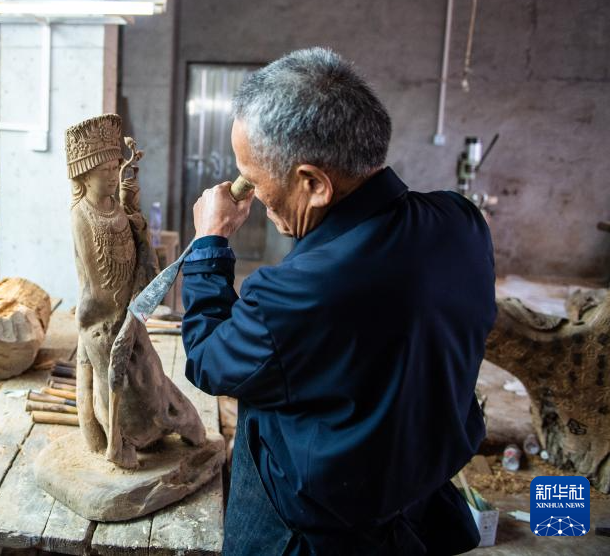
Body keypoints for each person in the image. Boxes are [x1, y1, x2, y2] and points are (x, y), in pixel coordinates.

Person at [183, 48, 495, 555]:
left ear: (314, 184)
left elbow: (207, 359)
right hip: (415, 502)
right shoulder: (460, 223)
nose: (253, 194)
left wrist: (209, 244)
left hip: (317, 531)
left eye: (255, 180)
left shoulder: (293, 292)